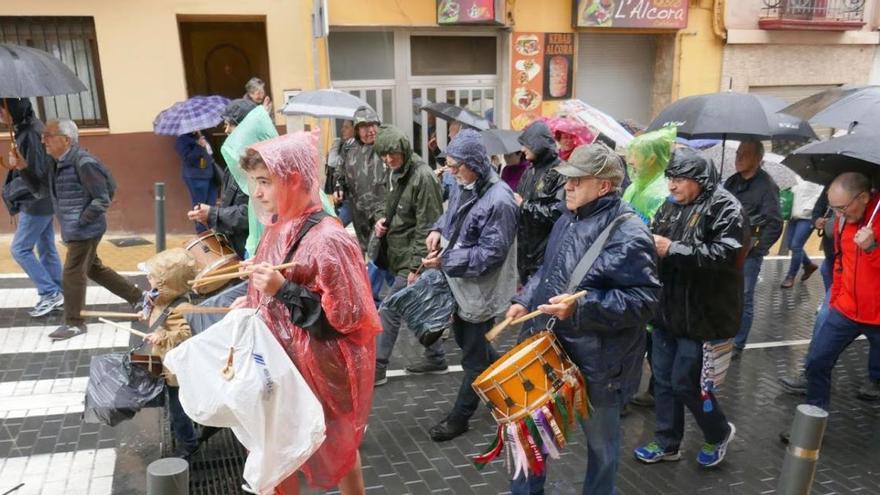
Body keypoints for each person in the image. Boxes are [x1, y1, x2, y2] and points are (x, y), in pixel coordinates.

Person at [229, 130, 380, 494]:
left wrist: (281, 290)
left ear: (294, 179)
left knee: (338, 446)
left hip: (322, 369)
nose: (257, 193)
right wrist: (254, 298)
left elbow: (347, 319)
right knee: (281, 448)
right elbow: (279, 286)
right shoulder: (281, 224)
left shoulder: (328, 238)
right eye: (254, 183)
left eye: (265, 182)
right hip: (286, 363)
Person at [507, 143, 661, 495]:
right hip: (549, 352)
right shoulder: (566, 217)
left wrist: (583, 307)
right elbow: (547, 271)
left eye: (578, 181)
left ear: (604, 186)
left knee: (602, 449)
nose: (568, 187)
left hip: (599, 365)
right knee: (531, 437)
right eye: (567, 180)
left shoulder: (630, 232)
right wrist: (523, 299)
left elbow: (645, 301)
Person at [633, 148, 743, 469]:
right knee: (663, 379)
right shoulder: (669, 206)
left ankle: (718, 432)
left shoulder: (726, 208)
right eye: (670, 178)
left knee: (688, 383)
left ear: (699, 180)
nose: (672, 186)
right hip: (667, 311)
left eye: (679, 179)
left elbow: (727, 255)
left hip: (702, 316)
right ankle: (668, 442)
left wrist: (673, 249)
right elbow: (656, 244)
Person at [421, 129, 519, 442]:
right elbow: (450, 213)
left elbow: (489, 256)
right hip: (461, 283)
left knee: (473, 358)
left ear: (474, 163)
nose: (450, 172)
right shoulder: (467, 184)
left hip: (481, 290)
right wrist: (438, 229)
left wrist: (445, 261)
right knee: (470, 344)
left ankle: (460, 417)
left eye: (455, 166)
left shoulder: (500, 201)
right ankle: (511, 382)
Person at [15, 118, 143, 340]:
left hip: (85, 229)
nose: (43, 139)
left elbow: (103, 197)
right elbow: (41, 190)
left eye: (48, 135)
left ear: (65, 140)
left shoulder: (83, 162)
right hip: (75, 228)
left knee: (72, 273)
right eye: (43, 135)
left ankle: (74, 322)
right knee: (94, 269)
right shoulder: (57, 163)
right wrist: (23, 168)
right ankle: (139, 297)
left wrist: (82, 220)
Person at [790, 172, 880, 425]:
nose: (838, 214)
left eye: (842, 207)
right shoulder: (842, 222)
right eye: (834, 208)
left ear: (863, 197)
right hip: (845, 311)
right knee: (817, 362)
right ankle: (812, 422)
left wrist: (872, 249)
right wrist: (837, 299)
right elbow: (839, 262)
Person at [370, 126, 446, 386]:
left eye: (392, 154)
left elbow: (429, 225)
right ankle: (436, 356)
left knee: (390, 308)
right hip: (397, 254)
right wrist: (380, 218)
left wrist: (416, 269)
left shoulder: (423, 177)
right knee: (412, 307)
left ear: (403, 149)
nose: (388, 160)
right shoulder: (395, 172)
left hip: (414, 259)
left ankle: (378, 368)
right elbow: (387, 204)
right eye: (383, 156)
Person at [621, 126, 676, 409]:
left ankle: (659, 391)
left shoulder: (662, 192)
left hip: (650, 277)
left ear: (652, 158)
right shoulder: (634, 187)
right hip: (631, 273)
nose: (630, 161)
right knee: (637, 339)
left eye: (635, 155)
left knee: (654, 341)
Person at [2, 98, 64, 317]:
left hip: (37, 200)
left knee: (19, 249)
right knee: (46, 248)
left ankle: (49, 293)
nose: (1, 116)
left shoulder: (30, 132)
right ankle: (59, 292)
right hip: (44, 198)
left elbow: (37, 173)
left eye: (2, 111)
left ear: (13, 110)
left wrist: (18, 164)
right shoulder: (30, 128)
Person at [137, 248, 200, 458]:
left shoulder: (181, 307)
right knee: (173, 404)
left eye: (153, 276)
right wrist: (145, 313)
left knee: (178, 408)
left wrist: (164, 336)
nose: (148, 278)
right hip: (163, 360)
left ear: (168, 282)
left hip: (175, 369)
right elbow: (155, 313)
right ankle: (181, 429)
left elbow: (186, 332)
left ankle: (189, 443)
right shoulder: (159, 297)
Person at [724, 140, 783, 355]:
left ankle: (738, 344)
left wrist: (757, 249)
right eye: (738, 152)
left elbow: (775, 223)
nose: (739, 157)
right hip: (727, 248)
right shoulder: (731, 182)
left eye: (745, 154)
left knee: (744, 296)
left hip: (748, 253)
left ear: (758, 159)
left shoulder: (767, 187)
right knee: (724, 293)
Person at [186, 98, 253, 258]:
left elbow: (253, 213)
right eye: (225, 125)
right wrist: (211, 215)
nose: (226, 130)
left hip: (252, 251)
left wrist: (214, 214)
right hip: (238, 246)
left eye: (230, 124)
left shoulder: (258, 162)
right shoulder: (236, 159)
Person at [339, 106, 392, 302]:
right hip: (360, 217)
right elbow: (342, 176)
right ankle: (397, 296)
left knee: (378, 258)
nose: (370, 131)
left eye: (373, 125)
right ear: (357, 129)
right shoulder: (350, 150)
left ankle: (368, 300)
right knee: (382, 263)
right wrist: (338, 186)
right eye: (364, 127)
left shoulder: (388, 147)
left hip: (383, 217)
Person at [220, 100, 278, 258]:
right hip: (252, 250)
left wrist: (214, 215)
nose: (257, 193)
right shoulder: (234, 165)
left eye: (229, 125)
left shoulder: (274, 166)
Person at [516, 120, 565, 284]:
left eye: (527, 145)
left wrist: (524, 205)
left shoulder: (560, 173)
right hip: (524, 250)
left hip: (546, 252)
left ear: (538, 145)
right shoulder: (529, 171)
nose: (522, 150)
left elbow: (559, 212)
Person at [780, 177, 822, 288]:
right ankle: (808, 265)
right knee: (790, 245)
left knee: (796, 245)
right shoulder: (795, 176)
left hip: (807, 217)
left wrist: (808, 209)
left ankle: (790, 276)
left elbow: (820, 194)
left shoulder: (817, 177)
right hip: (793, 216)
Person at [175, 130, 218, 233]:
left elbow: (210, 152)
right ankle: (201, 232)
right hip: (196, 177)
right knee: (199, 205)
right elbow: (188, 158)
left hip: (210, 174)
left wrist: (204, 144)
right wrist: (199, 146)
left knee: (210, 205)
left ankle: (210, 230)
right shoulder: (182, 139)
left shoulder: (202, 134)